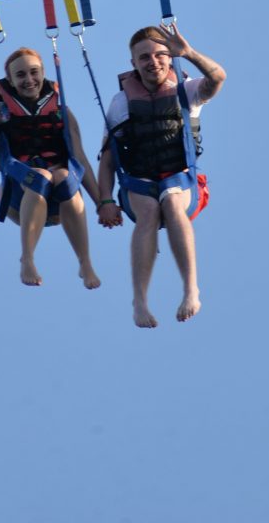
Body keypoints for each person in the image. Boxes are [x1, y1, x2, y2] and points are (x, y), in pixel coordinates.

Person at [97, 25, 225, 328]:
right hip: (138, 183)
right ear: (133, 64)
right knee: (149, 211)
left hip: (182, 179)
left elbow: (218, 77)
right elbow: (108, 159)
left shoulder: (188, 90)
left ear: (170, 57)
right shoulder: (121, 102)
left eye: (160, 55)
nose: (152, 62)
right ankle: (139, 302)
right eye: (144, 57)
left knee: (170, 202)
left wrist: (190, 53)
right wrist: (104, 201)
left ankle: (191, 289)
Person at [0, 46, 101, 290]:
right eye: (20, 75)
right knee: (40, 175)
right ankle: (27, 259)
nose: (29, 80)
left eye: (34, 72)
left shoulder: (62, 113)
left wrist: (102, 204)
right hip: (18, 197)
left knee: (64, 174)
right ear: (10, 81)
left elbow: (81, 159)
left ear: (43, 73)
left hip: (60, 201)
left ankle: (85, 262)